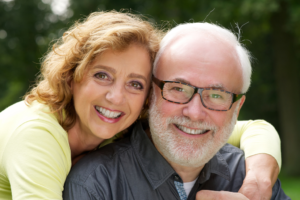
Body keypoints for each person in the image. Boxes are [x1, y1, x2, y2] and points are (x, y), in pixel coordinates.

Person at [0, 11, 278, 200]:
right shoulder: (37, 135)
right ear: (72, 77)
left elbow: (250, 129)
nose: (116, 98)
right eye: (101, 76)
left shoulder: (126, 122)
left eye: (135, 84)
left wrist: (258, 179)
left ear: (149, 96)